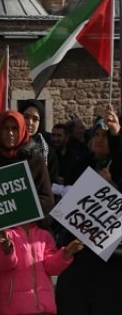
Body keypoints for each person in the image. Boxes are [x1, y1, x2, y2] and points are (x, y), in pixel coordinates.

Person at [0, 110, 56, 315]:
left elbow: (47, 201)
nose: (9, 133)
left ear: (22, 130)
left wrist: (15, 210)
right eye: (5, 129)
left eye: (14, 128)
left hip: (23, 244)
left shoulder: (34, 160)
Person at [55, 108, 122, 314]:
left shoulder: (117, 167)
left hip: (113, 260)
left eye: (105, 135)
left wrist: (113, 184)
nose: (100, 139)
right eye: (97, 134)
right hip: (80, 255)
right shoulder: (81, 164)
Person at [0, 223, 82, 315]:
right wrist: (7, 249)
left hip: (44, 308)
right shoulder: (3, 234)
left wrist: (67, 253)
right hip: (14, 308)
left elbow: (51, 268)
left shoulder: (44, 234)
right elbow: (5, 265)